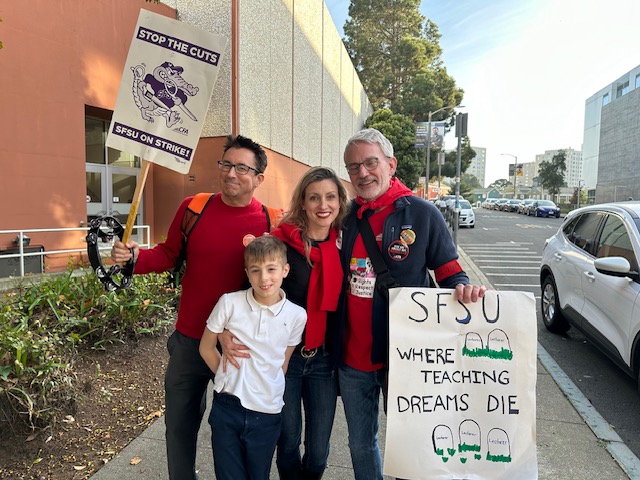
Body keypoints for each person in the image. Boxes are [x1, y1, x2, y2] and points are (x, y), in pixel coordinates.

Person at [110, 134, 275, 480]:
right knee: (179, 430)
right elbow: (169, 255)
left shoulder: (271, 223)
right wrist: (133, 258)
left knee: (233, 433)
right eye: (226, 164)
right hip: (188, 342)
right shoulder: (193, 208)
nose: (231, 173)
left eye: (242, 168)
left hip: (237, 348)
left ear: (259, 178)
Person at [336, 128, 487, 480]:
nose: (362, 173)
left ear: (391, 164)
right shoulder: (344, 217)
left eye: (371, 163)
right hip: (353, 357)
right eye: (353, 167)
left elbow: (450, 272)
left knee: (413, 442)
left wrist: (465, 289)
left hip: (409, 356)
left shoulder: (422, 213)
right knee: (360, 444)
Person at [221, 167, 349, 480]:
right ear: (302, 202)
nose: (323, 205)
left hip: (324, 360)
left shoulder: (345, 245)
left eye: (330, 197)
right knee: (288, 442)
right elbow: (245, 289)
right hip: (283, 361)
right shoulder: (279, 243)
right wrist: (224, 332)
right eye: (314, 197)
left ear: (340, 202)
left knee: (319, 452)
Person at [199, 235, 307, 480]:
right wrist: (227, 378)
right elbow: (206, 348)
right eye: (256, 271)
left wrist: (265, 387)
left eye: (271, 269)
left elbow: (283, 362)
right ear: (247, 273)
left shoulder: (297, 316)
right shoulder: (229, 303)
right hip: (227, 407)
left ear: (285, 270)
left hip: (267, 412)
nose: (264, 278)